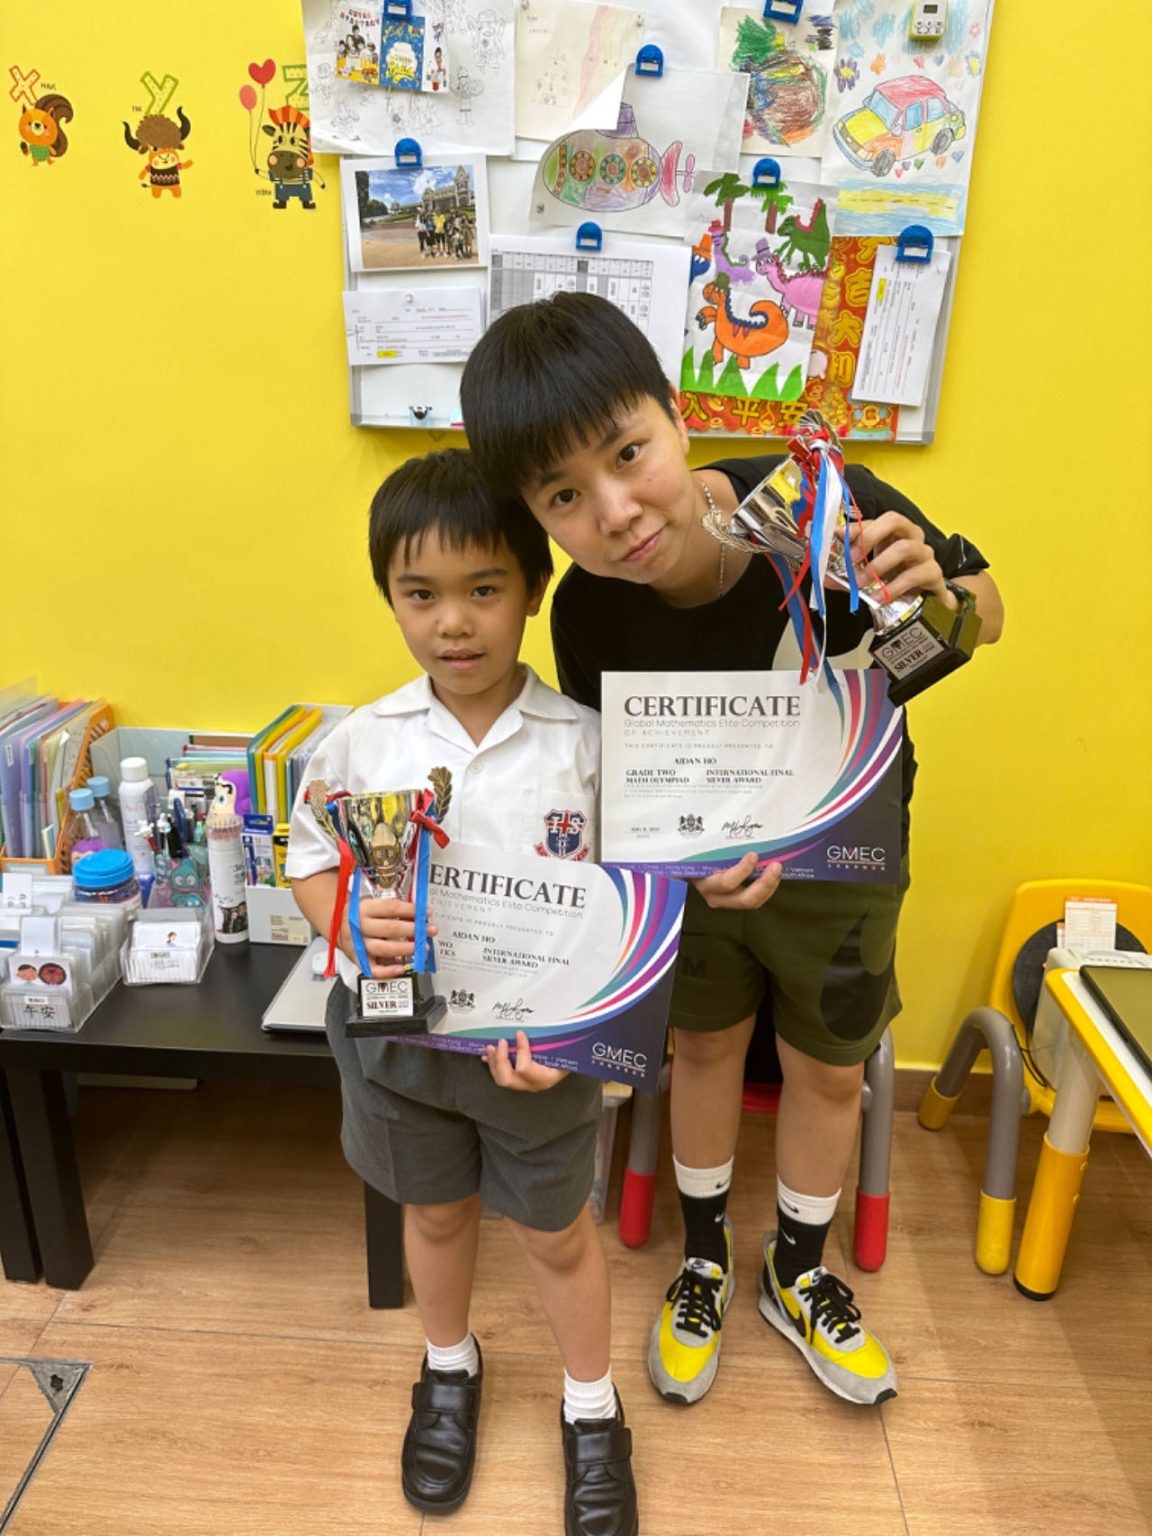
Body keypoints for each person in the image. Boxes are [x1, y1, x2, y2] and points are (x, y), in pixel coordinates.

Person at [460, 292, 1004, 1411]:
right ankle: (704, 1258)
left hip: (846, 861)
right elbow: (621, 783)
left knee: (830, 1070)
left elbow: (986, 612)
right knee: (703, 1050)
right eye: (564, 496)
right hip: (702, 878)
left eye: (629, 453)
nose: (616, 512)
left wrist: (939, 587)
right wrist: (673, 864)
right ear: (537, 518)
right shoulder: (590, 615)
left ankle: (797, 1270)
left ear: (676, 412)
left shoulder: (819, 498)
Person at [287, 449, 638, 1536]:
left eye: (484, 588)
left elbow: (630, 913)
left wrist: (583, 1043)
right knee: (434, 1215)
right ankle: (448, 1366)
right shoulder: (362, 742)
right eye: (421, 594)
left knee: (557, 1234)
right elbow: (311, 864)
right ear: (390, 598)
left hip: (537, 1059)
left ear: (533, 589)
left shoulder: (587, 746)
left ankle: (593, 1408)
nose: (454, 622)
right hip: (399, 1049)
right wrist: (348, 920)